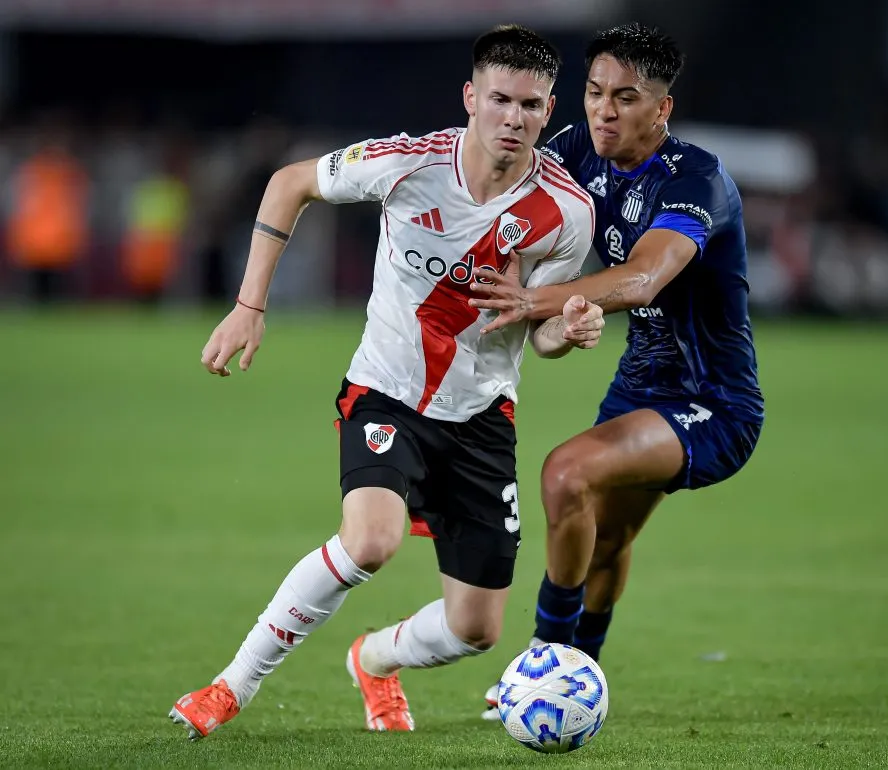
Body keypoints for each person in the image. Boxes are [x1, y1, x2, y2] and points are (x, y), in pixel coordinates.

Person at [169, 23, 602, 740]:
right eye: (500, 99)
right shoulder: (409, 164)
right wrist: (249, 306)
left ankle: (373, 660)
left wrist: (572, 326)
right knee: (371, 540)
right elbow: (290, 183)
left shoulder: (567, 213)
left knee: (476, 630)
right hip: (387, 391)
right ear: (470, 97)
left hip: (483, 415)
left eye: (530, 105)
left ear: (548, 111)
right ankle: (229, 686)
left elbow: (541, 331)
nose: (513, 118)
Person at [468, 23, 764, 715]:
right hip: (641, 385)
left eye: (625, 98)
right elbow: (507, 182)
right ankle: (579, 677)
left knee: (565, 473)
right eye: (595, 92)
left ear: (661, 109)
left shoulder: (698, 180)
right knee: (605, 538)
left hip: (713, 401)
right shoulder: (578, 151)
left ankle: (544, 658)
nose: (603, 110)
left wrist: (533, 299)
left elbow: (642, 281)